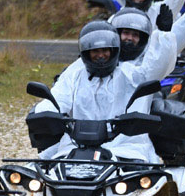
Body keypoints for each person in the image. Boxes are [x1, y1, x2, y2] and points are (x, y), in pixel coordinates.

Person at [38, 21, 163, 163]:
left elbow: (155, 68)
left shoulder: (129, 74)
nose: (101, 55)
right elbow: (58, 97)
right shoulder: (74, 74)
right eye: (95, 51)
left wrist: (164, 35)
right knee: (45, 171)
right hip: (77, 144)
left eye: (105, 50)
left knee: (142, 177)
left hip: (125, 145)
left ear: (114, 51)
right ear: (86, 53)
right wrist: (46, 112)